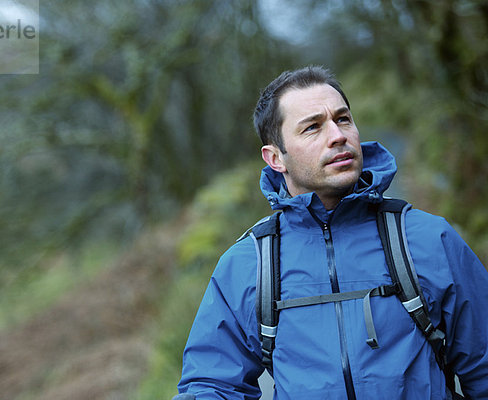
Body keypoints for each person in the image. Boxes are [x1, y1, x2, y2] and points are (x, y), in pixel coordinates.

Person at [174, 66, 488, 399]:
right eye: (312, 127)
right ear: (275, 158)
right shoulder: (248, 265)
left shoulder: (429, 240)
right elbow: (212, 384)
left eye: (342, 119)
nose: (338, 135)